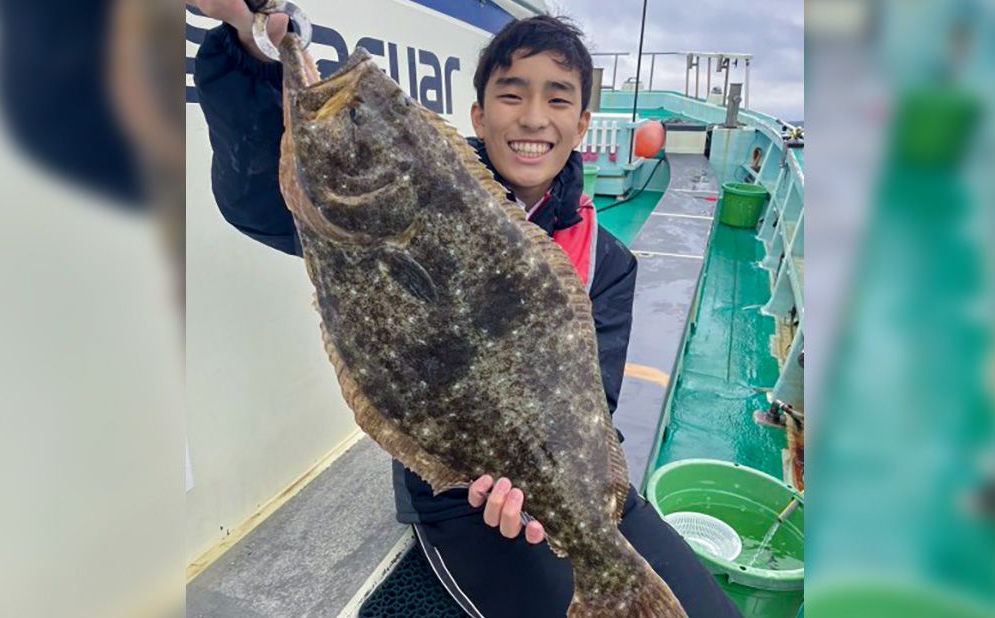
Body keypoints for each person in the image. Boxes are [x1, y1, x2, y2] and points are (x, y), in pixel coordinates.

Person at [191, 4, 742, 616]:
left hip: (577, 480)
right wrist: (250, 40)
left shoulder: (608, 262)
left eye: (558, 99)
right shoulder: (399, 206)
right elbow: (257, 203)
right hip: (456, 487)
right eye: (512, 94)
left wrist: (574, 496)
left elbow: (594, 404)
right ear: (478, 114)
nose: (534, 117)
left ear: (583, 123)